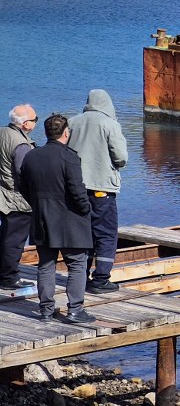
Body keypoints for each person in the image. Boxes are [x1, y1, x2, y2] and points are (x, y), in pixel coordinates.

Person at [20, 114, 95, 323]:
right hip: (69, 219)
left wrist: (37, 204)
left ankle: (45, 310)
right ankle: (75, 309)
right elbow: (77, 190)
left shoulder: (31, 156)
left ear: (46, 133)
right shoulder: (69, 157)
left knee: (46, 264)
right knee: (77, 263)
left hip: (42, 217)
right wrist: (85, 209)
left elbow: (23, 187)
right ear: (66, 133)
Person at [68, 90, 128, 294]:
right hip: (102, 189)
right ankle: (101, 279)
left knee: (81, 232)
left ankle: (80, 276)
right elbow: (121, 157)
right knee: (106, 234)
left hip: (75, 189)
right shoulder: (110, 124)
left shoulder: (72, 122)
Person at [0, 104, 38, 290]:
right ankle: (9, 277)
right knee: (14, 240)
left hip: (3, 194)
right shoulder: (21, 144)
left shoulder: (3, 132)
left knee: (6, 235)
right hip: (17, 198)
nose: (36, 123)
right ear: (25, 124)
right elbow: (25, 173)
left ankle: (4, 273)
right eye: (34, 120)